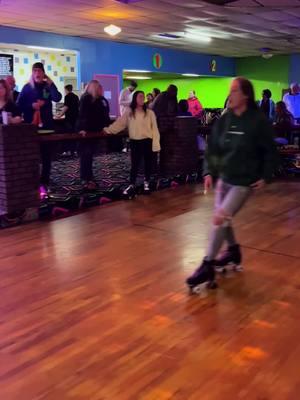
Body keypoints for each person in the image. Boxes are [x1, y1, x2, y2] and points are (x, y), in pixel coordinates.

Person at [186, 77, 277, 293]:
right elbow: (213, 149)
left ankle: (207, 264)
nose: (230, 95)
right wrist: (208, 170)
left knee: (220, 218)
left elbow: (271, 151)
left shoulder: (258, 121)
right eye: (230, 91)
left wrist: (265, 175)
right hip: (224, 179)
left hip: (243, 183)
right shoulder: (225, 120)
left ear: (245, 95)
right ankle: (233, 251)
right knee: (222, 219)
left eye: (234, 91)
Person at [104, 91, 160, 196]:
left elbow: (155, 129)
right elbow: (120, 123)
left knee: (148, 163)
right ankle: (132, 184)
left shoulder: (150, 113)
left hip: (147, 141)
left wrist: (156, 144)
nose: (142, 98)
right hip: (135, 142)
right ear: (135, 98)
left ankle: (146, 183)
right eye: (140, 96)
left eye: (143, 97)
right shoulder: (129, 112)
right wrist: (108, 130)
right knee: (135, 164)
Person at [17, 62, 62, 188]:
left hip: (47, 127)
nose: (37, 73)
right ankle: (32, 180)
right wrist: (31, 106)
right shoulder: (27, 87)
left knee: (47, 156)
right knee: (32, 156)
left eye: (39, 71)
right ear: (32, 73)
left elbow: (57, 98)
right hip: (31, 128)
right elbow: (18, 106)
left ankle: (45, 179)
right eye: (35, 71)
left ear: (43, 73)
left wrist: (51, 83)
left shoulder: (47, 87)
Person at [76, 80, 110, 190]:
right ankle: (85, 178)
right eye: (99, 87)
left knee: (89, 156)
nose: (101, 90)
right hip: (86, 132)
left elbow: (104, 114)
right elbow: (82, 115)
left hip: (94, 131)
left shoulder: (100, 100)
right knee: (85, 156)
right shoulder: (86, 98)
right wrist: (82, 128)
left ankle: (89, 177)